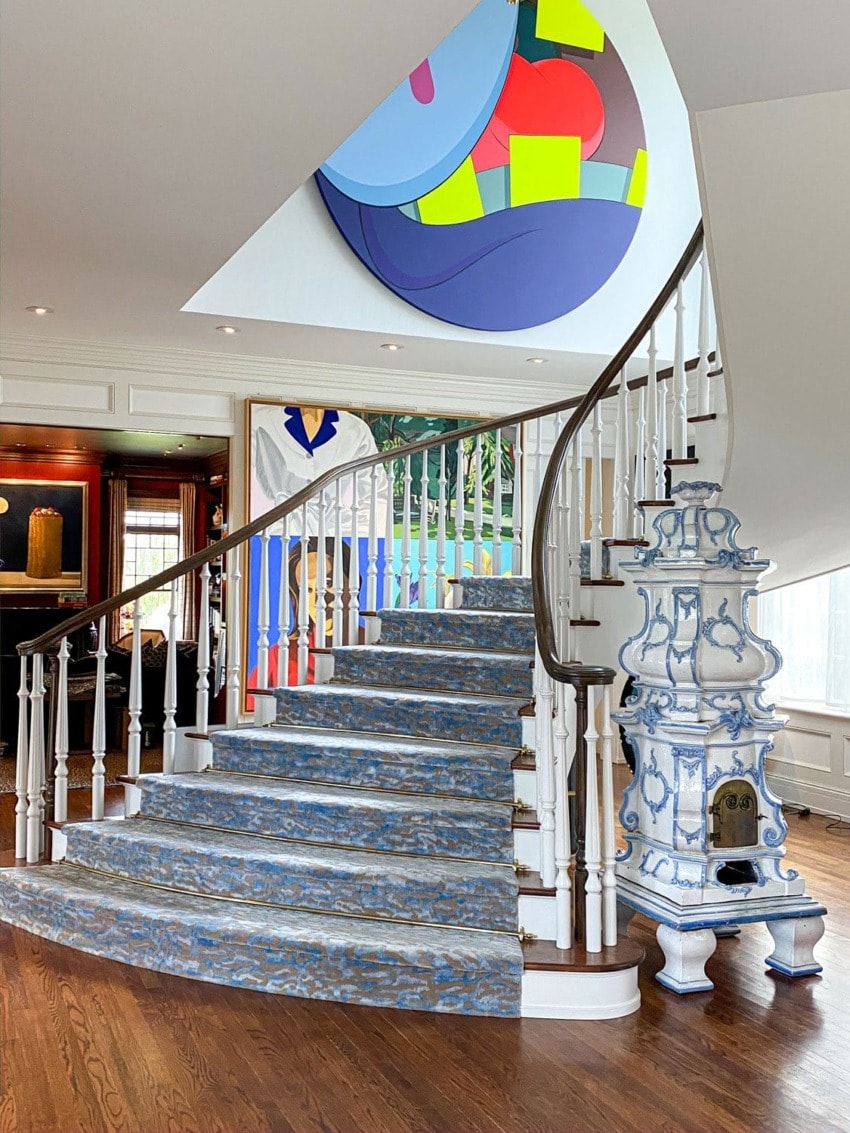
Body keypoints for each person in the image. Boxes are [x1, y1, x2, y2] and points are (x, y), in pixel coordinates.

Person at [250, 404, 389, 535]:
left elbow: (375, 493)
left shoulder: (356, 429)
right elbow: (246, 485)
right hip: (278, 533)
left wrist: (357, 537)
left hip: (336, 536)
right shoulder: (261, 420)